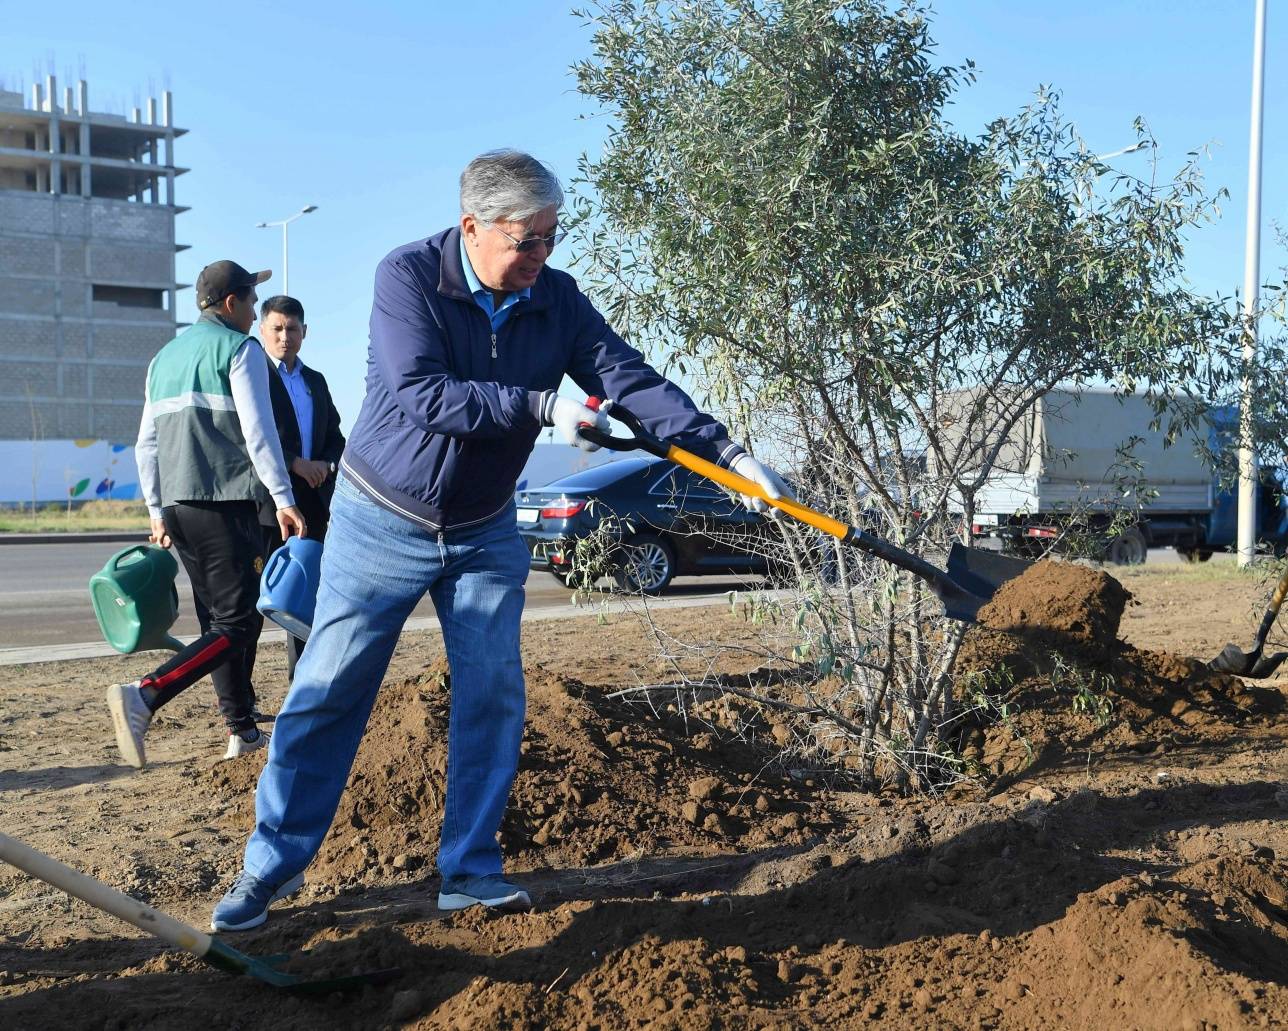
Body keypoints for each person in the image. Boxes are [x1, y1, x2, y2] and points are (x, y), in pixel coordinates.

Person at [210, 150, 790, 932]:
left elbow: (629, 377)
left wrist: (728, 454)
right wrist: (543, 407)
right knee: (329, 690)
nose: (541, 257)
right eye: (526, 242)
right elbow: (421, 394)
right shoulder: (407, 277)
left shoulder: (558, 299)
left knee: (492, 694)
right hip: (381, 517)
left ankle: (470, 871)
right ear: (472, 227)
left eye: (551, 238)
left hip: (483, 530)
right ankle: (268, 872)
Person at [107, 261, 307, 770]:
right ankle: (146, 694)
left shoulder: (164, 357)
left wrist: (155, 509)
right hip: (224, 501)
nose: (256, 312)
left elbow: (145, 443)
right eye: (252, 302)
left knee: (219, 621)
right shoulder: (241, 350)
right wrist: (283, 498)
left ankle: (241, 730)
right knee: (239, 623)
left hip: (178, 507)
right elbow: (258, 432)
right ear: (230, 304)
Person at [252, 294, 345, 682]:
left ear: (304, 332)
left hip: (314, 505)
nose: (284, 336)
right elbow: (254, 436)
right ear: (262, 331)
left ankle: (304, 681)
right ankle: (243, 701)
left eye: (292, 329)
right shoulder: (253, 376)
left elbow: (335, 437)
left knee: (307, 596)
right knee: (257, 600)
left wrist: (325, 463)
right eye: (276, 328)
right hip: (269, 505)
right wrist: (294, 463)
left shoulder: (315, 382)